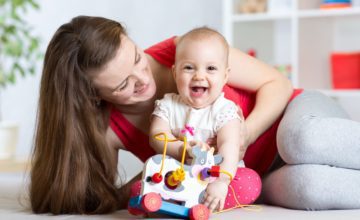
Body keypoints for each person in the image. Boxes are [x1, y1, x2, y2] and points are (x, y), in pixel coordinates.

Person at [30, 15, 360, 215]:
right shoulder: (109, 130)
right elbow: (96, 196)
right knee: (309, 188)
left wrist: (245, 135)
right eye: (123, 86)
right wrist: (149, 186)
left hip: (296, 117)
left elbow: (278, 83)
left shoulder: (186, 50)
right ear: (93, 96)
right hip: (258, 175)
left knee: (298, 140)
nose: (142, 80)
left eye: (135, 58)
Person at [149, 27, 261, 212]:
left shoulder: (225, 110)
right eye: (189, 67)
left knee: (250, 183)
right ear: (175, 73)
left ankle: (198, 200)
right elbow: (157, 136)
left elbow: (229, 146)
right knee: (144, 183)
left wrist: (222, 181)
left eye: (210, 68)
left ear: (225, 76)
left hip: (215, 177)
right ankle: (183, 199)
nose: (199, 75)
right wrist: (181, 149)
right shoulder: (168, 105)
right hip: (178, 177)